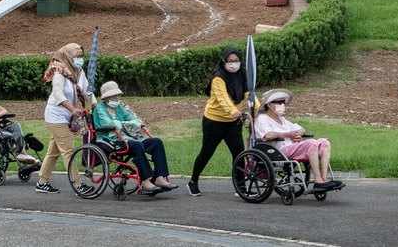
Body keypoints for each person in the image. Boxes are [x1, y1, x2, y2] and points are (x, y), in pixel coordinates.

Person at [188, 46, 259, 196]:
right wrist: (233, 111)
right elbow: (222, 98)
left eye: (236, 60)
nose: (233, 64)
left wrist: (260, 108)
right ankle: (193, 181)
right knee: (207, 152)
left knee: (239, 153)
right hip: (214, 121)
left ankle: (241, 187)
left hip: (233, 122)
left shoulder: (242, 73)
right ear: (223, 61)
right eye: (230, 61)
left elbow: (249, 93)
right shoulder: (218, 77)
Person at [92, 81, 178, 195]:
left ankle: (159, 177)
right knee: (137, 145)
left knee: (156, 142)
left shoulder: (119, 107)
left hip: (127, 137)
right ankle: (145, 181)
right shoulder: (100, 110)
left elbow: (136, 120)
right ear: (107, 97)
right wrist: (128, 124)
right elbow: (110, 124)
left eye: (118, 95)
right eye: (114, 95)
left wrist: (124, 124)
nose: (118, 97)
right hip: (110, 140)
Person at [36, 42, 96, 195]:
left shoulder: (78, 72)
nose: (80, 59)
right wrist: (73, 109)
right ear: (68, 56)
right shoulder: (59, 72)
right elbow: (58, 95)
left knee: (54, 152)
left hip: (66, 115)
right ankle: (78, 185)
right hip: (56, 116)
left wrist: (96, 106)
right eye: (77, 57)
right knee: (68, 150)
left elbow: (88, 92)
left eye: (81, 56)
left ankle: (42, 182)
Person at [255, 88, 343, 191]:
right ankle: (318, 180)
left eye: (283, 102)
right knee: (311, 143)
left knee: (325, 142)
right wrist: (288, 134)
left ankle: (324, 178)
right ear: (269, 104)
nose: (282, 105)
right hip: (278, 150)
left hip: (292, 147)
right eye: (279, 102)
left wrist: (297, 134)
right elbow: (268, 135)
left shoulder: (283, 120)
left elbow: (301, 129)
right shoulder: (262, 119)